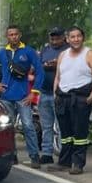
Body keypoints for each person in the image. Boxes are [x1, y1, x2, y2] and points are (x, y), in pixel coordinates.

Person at [0, 25, 42, 166]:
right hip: (5, 97)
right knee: (8, 128)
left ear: (19, 35)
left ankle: (34, 156)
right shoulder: (2, 53)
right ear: (7, 37)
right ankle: (12, 155)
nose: (13, 37)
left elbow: (40, 71)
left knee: (28, 126)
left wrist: (33, 93)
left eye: (16, 34)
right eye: (10, 34)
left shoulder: (28, 52)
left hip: (23, 97)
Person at [52, 27, 92, 174]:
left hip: (80, 98)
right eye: (72, 37)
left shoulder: (90, 54)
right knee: (65, 133)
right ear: (67, 39)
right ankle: (64, 161)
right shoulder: (63, 55)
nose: (75, 39)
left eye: (78, 36)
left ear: (83, 37)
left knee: (80, 133)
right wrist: (55, 92)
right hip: (63, 98)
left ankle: (78, 164)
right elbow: (58, 76)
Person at [35, 27, 67, 162]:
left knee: (61, 126)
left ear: (63, 37)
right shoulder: (46, 50)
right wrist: (44, 65)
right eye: (52, 38)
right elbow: (38, 64)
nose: (54, 41)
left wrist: (57, 64)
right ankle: (47, 153)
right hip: (44, 91)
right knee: (46, 125)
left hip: (60, 93)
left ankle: (62, 153)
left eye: (57, 38)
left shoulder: (67, 50)